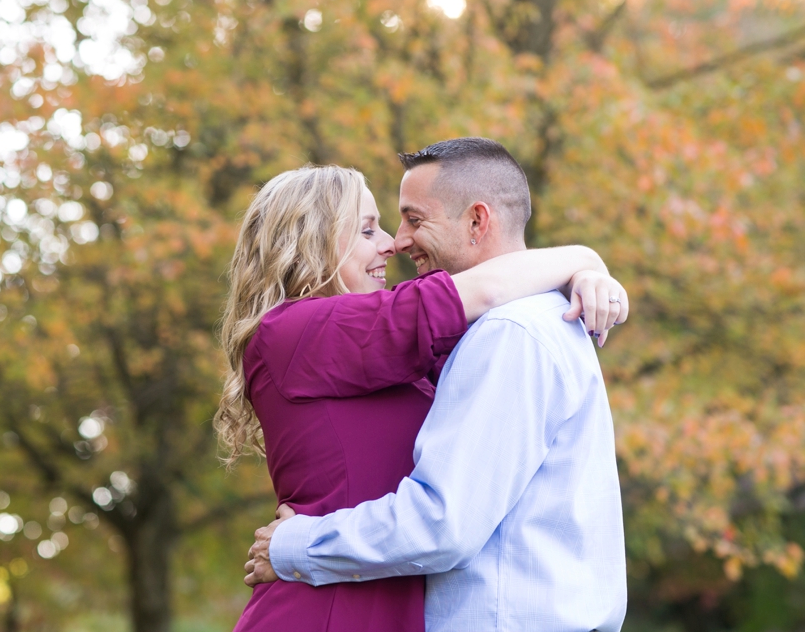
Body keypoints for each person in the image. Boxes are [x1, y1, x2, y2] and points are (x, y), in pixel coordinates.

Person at [218, 155, 628, 632]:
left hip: (371, 601)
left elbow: (490, 304)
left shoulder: (389, 353)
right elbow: (484, 290)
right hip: (324, 610)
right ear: (313, 242)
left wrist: (580, 276)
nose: (393, 242)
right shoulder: (292, 332)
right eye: (368, 230)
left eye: (404, 222)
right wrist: (583, 259)